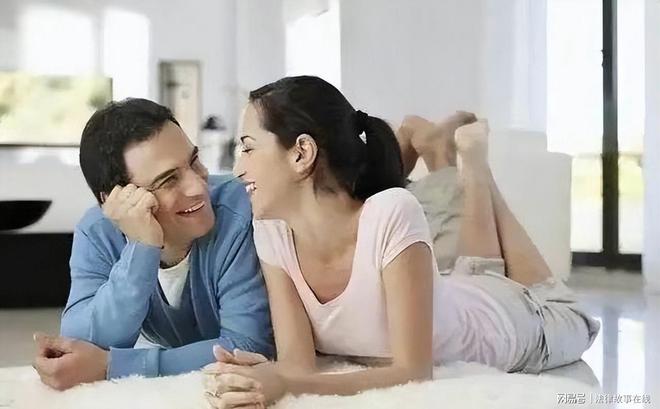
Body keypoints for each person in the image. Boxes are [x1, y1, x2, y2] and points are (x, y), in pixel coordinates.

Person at [202, 76, 600, 408]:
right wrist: (261, 376)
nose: (238, 169)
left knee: (567, 312)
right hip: (458, 293)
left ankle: (476, 166)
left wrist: (286, 384)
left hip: (515, 321)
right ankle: (462, 159)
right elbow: (297, 365)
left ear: (301, 153)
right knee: (476, 270)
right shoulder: (272, 231)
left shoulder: (391, 210)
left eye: (248, 148)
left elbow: (413, 372)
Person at [32, 98, 274, 391]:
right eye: (169, 180)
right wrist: (142, 245)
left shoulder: (239, 207)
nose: (199, 186)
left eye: (194, 161)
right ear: (115, 200)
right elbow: (81, 343)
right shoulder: (98, 230)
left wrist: (114, 366)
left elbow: (248, 347)